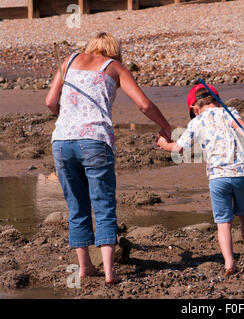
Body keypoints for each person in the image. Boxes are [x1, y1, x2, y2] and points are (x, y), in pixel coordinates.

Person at [45, 32, 171, 284]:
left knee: (76, 206)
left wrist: (67, 116)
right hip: (95, 141)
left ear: (90, 47)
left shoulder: (68, 61)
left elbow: (50, 102)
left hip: (61, 142)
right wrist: (165, 126)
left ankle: (84, 268)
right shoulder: (114, 67)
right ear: (113, 50)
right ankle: (110, 273)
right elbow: (143, 105)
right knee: (103, 205)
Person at [157, 84, 244, 275]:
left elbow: (178, 149)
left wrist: (163, 144)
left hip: (218, 178)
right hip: (240, 174)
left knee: (223, 223)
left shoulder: (196, 122)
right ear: (218, 101)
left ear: (194, 108)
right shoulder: (229, 112)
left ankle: (229, 263)